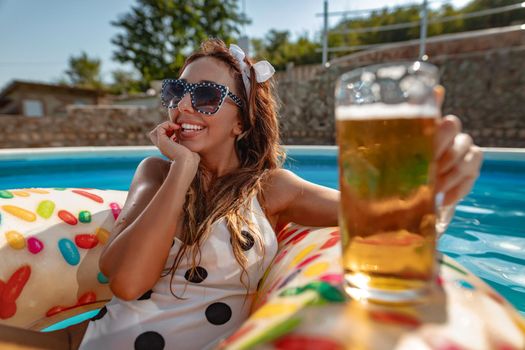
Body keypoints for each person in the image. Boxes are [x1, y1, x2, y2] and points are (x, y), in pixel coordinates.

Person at [0, 39, 482, 350]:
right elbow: (126, 282)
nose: (185, 105)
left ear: (243, 121)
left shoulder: (271, 190)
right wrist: (183, 167)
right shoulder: (154, 173)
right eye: (176, 92)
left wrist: (433, 191)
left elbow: (380, 216)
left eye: (207, 96)